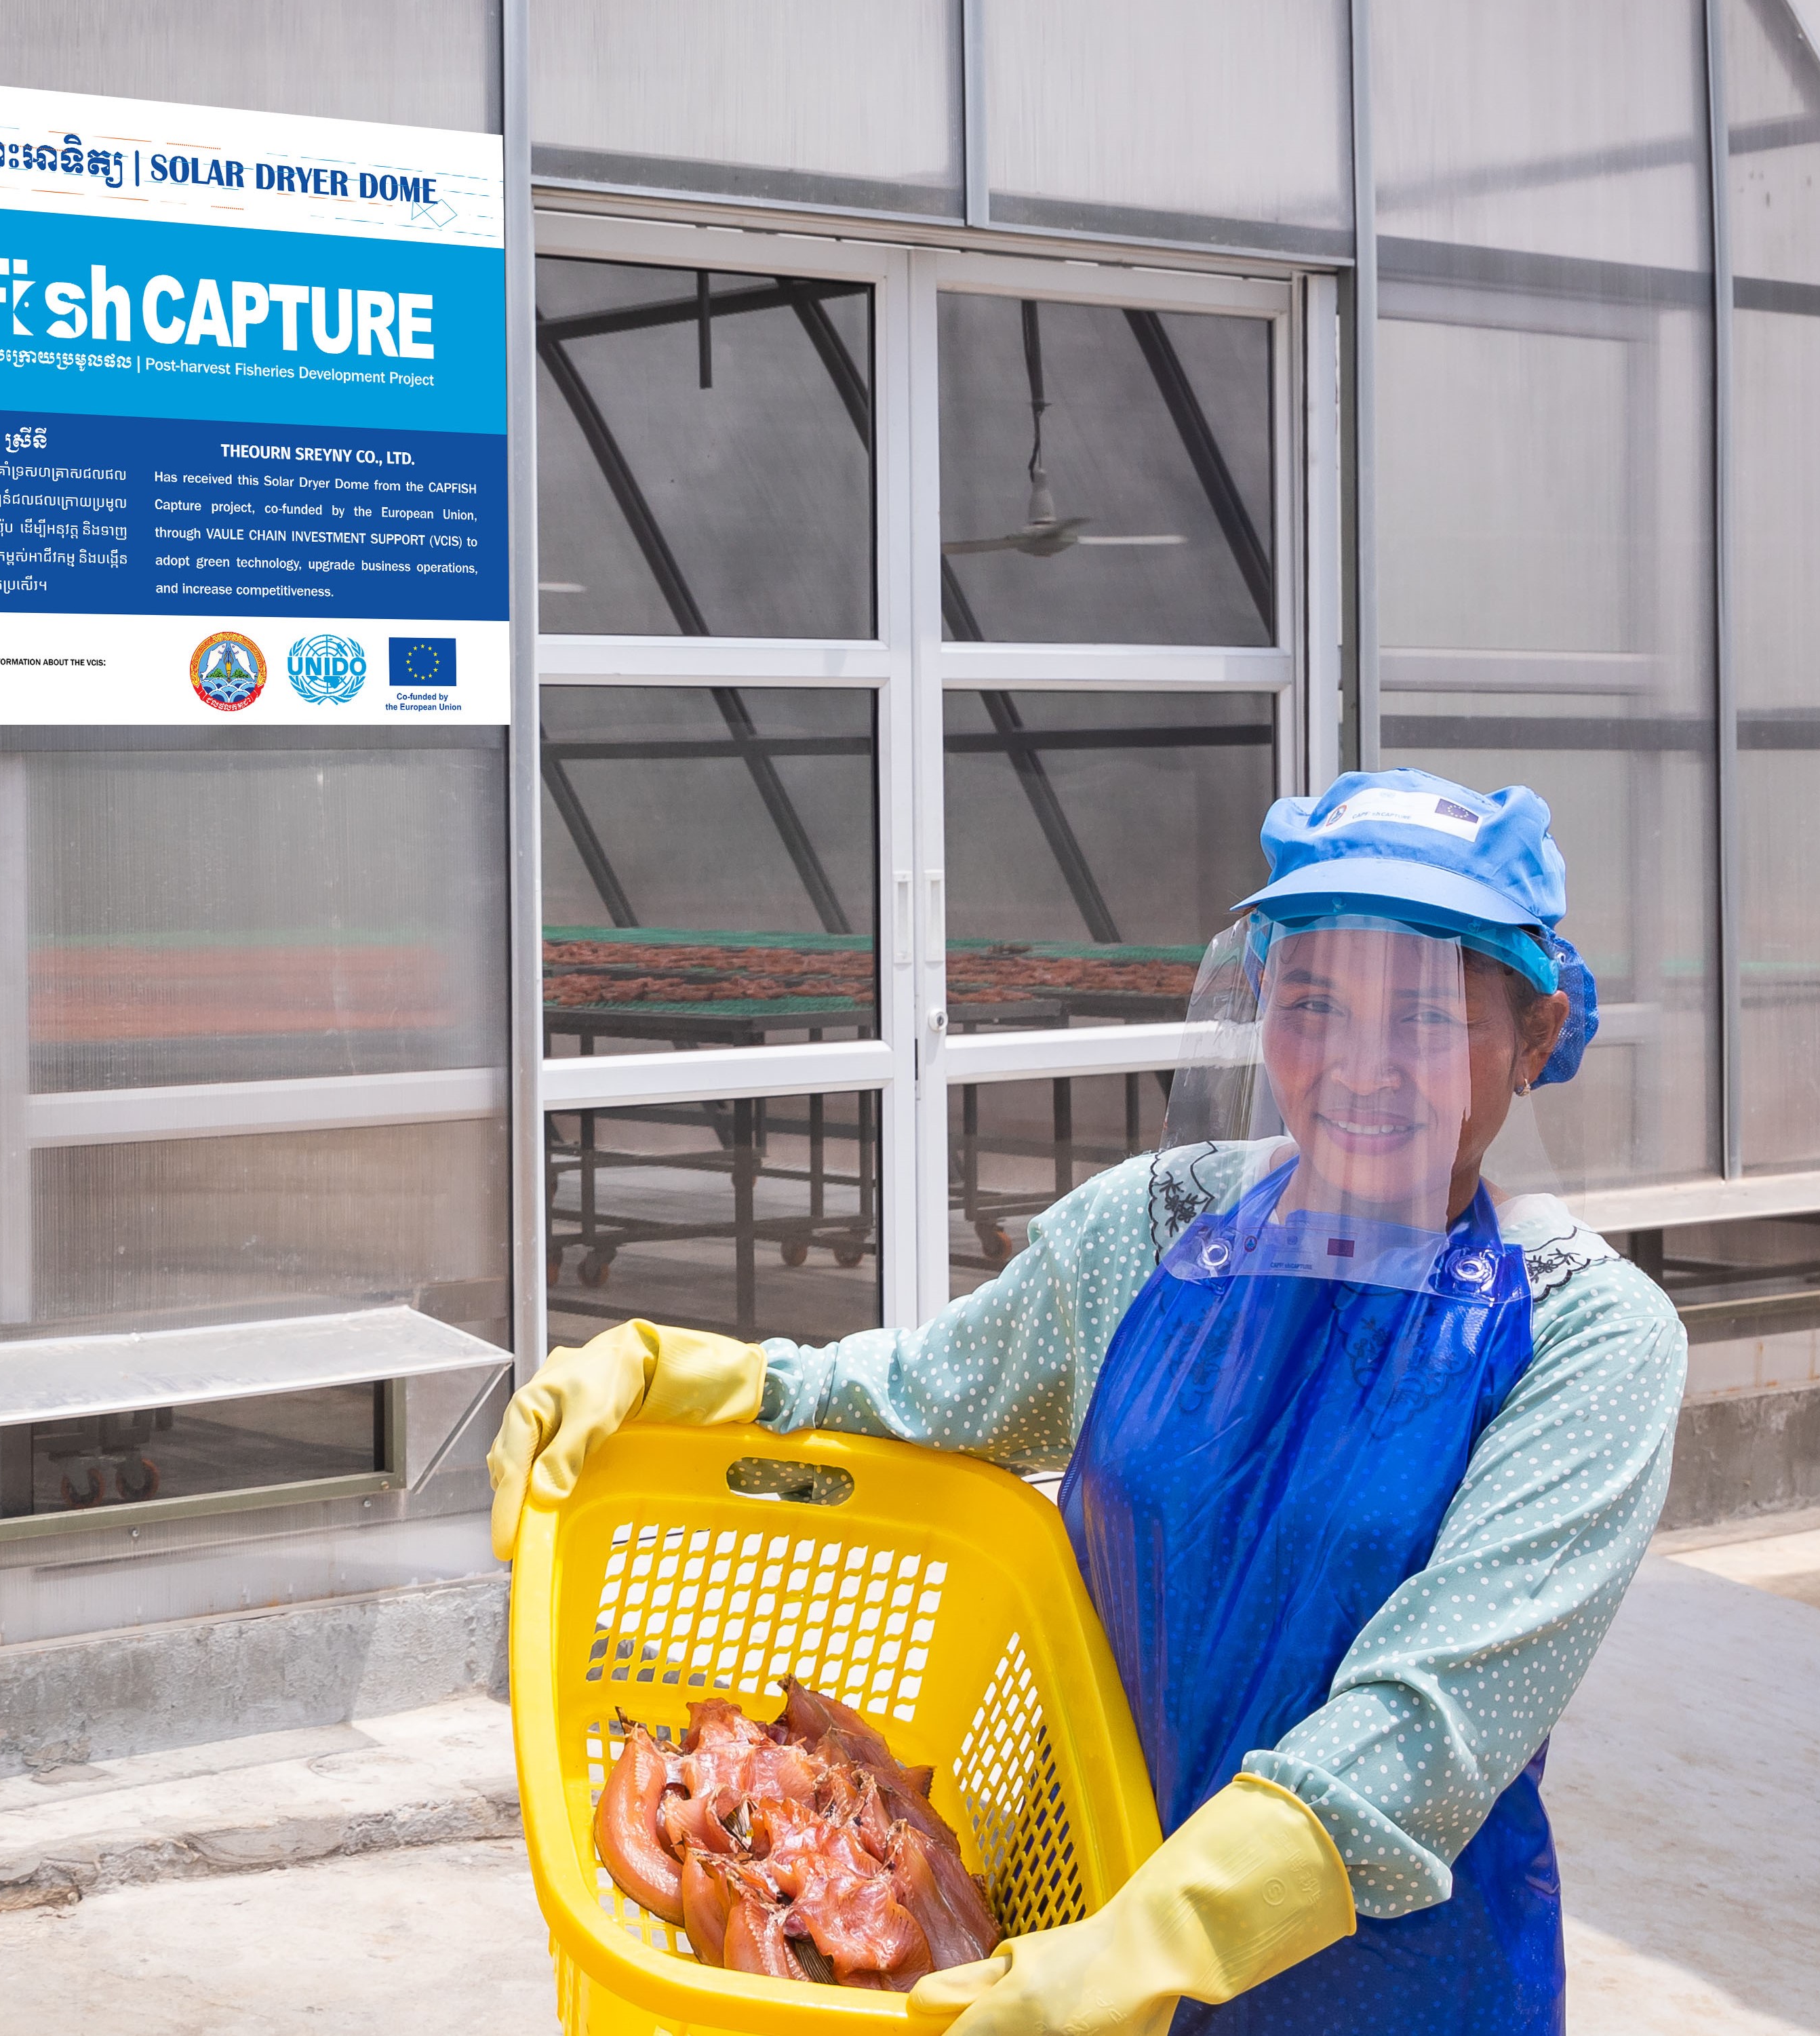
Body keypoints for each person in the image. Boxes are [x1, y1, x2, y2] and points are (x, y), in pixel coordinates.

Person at [490, 772, 1686, 2036]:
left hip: (1386, 1992)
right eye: (1314, 1003)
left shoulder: (1584, 1335)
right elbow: (926, 1394)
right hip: (1061, 1947)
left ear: (1538, 1034)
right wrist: (694, 1377)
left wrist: (1148, 1946)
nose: (1358, 1066)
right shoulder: (1158, 1228)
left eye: (1427, 1018)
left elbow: (1433, 1724)